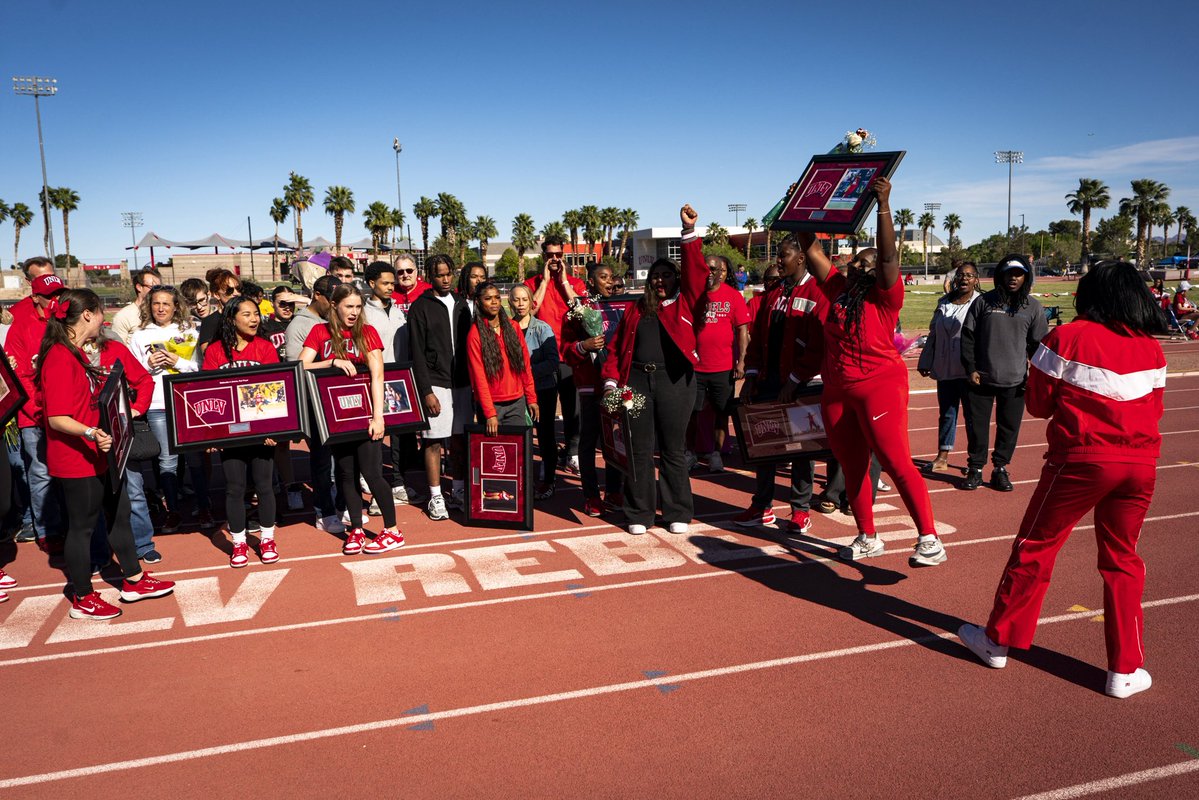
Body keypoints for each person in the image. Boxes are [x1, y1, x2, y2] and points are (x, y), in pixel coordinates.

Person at [957, 261, 1167, 699]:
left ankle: (998, 640)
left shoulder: (1066, 337)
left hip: (1080, 460)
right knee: (1123, 560)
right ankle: (1124, 670)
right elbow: (1156, 409)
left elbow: (1037, 405)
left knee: (1036, 547)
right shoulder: (1152, 348)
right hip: (1141, 463)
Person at [798, 176, 946, 566]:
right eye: (855, 262)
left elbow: (887, 257)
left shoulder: (886, 297)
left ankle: (929, 538)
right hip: (837, 390)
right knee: (851, 464)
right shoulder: (836, 289)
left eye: (865, 263)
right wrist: (798, 209)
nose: (859, 266)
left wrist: (883, 204)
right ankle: (867, 536)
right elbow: (810, 250)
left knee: (896, 461)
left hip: (879, 385)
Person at [37, 288, 175, 619]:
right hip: (76, 456)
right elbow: (56, 418)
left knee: (121, 513)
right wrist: (90, 432)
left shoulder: (91, 351)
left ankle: (133, 580)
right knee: (82, 527)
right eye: (100, 312)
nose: (105, 319)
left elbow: (126, 389)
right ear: (87, 315)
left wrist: (126, 418)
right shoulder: (59, 356)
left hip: (105, 451)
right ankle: (83, 597)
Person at [601, 204, 705, 536]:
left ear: (676, 279)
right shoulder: (636, 308)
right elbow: (616, 348)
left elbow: (696, 274)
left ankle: (677, 511)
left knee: (673, 449)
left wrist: (687, 232)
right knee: (639, 448)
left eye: (667, 275)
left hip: (675, 382)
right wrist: (610, 382)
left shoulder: (686, 301)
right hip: (635, 385)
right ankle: (639, 513)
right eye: (656, 276)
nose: (661, 281)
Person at [300, 284, 403, 555]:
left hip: (367, 414)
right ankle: (356, 528)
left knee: (371, 472)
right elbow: (299, 366)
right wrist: (331, 362)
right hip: (336, 417)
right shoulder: (319, 331)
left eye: (358, 307)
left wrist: (378, 417)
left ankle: (392, 530)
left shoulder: (366, 332)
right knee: (346, 474)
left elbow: (378, 376)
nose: (354, 312)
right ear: (335, 305)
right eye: (349, 306)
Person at [737, 236, 824, 532]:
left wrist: (796, 379)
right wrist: (750, 377)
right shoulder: (774, 292)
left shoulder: (816, 291)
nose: (778, 260)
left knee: (800, 448)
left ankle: (800, 509)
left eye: (783, 255)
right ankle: (762, 505)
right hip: (767, 381)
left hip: (799, 383)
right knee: (765, 445)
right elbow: (758, 339)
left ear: (801, 258)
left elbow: (817, 345)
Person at [202, 296, 283, 568]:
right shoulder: (215, 351)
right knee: (234, 488)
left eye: (256, 314)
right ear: (231, 319)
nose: (254, 319)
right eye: (246, 314)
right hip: (231, 433)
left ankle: (268, 539)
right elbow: (207, 392)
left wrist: (273, 429)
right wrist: (212, 435)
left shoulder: (264, 347)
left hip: (260, 431)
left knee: (265, 485)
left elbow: (276, 389)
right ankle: (238, 543)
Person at [959, 254, 1049, 492]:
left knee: (1009, 427)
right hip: (981, 379)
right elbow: (967, 336)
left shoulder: (1033, 308)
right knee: (977, 427)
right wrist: (970, 368)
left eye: (1018, 274)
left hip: (1015, 381)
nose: (1013, 278)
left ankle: (1000, 468)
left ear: (1026, 277)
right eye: (1009, 273)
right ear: (1000, 275)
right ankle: (975, 469)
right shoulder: (983, 302)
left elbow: (1037, 347)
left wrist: (1035, 377)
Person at [130, 286, 201, 542]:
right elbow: (133, 375)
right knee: (167, 460)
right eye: (156, 303)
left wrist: (177, 362)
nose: (160, 308)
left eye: (166, 304)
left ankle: (203, 508)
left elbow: (199, 369)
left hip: (187, 403)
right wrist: (148, 366)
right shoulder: (138, 336)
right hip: (157, 404)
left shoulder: (189, 332)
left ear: (176, 306)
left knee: (194, 457)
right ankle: (173, 511)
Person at [8, 270, 69, 552]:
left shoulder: (67, 321)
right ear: (35, 297)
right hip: (34, 414)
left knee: (70, 469)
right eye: (49, 296)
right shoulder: (20, 327)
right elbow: (18, 376)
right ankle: (47, 529)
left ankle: (71, 522)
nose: (56, 299)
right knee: (41, 471)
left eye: (59, 293)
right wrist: (39, 409)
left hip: (67, 411)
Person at [408, 255, 472, 520]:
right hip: (436, 383)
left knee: (459, 441)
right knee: (433, 442)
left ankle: (457, 490)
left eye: (449, 274)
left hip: (463, 383)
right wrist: (426, 391)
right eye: (440, 275)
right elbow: (417, 353)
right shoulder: (419, 307)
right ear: (430, 277)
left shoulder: (461, 303)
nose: (446, 279)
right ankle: (435, 497)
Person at [561, 263, 624, 516]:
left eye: (611, 277)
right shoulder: (577, 310)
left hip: (618, 384)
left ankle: (614, 491)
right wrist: (584, 346)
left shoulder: (623, 307)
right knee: (589, 441)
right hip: (590, 385)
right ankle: (591, 495)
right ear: (590, 281)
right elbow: (565, 350)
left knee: (616, 439)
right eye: (603, 277)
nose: (609, 282)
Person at [525, 238, 588, 476]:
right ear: (543, 257)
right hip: (541, 358)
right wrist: (545, 282)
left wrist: (562, 281)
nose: (554, 259)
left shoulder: (575, 283)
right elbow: (530, 310)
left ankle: (572, 454)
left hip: (570, 355)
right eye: (550, 255)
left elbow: (581, 312)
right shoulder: (532, 283)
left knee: (573, 411)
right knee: (544, 414)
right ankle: (548, 459)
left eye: (558, 255)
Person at [363, 260, 422, 508]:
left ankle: (399, 483)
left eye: (392, 283)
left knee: (403, 438)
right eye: (385, 283)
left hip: (401, 381)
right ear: (371, 283)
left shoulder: (398, 310)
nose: (391, 287)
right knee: (376, 439)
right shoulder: (363, 313)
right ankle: (379, 490)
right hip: (373, 381)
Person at [286, 275, 343, 532]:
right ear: (317, 295)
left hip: (336, 399)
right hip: (313, 399)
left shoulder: (332, 320)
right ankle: (323, 510)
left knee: (341, 458)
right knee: (321, 459)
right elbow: (295, 367)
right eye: (331, 300)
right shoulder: (300, 325)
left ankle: (341, 506)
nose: (334, 305)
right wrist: (329, 363)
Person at [918, 262, 982, 472]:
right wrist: (926, 360)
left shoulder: (981, 303)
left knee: (972, 416)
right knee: (947, 413)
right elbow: (934, 333)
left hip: (969, 370)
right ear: (955, 279)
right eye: (961, 275)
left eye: (969, 275)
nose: (964, 279)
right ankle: (942, 456)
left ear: (976, 279)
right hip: (944, 367)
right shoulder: (944, 301)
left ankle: (974, 461)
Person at [689, 254, 749, 473]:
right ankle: (690, 453)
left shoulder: (733, 296)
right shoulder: (693, 295)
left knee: (721, 413)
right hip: (694, 368)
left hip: (723, 368)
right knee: (692, 413)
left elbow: (743, 329)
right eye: (708, 269)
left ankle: (716, 453)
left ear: (724, 272)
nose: (711, 273)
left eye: (716, 269)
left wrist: (741, 361)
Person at [467, 282, 539, 435]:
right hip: (492, 405)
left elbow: (525, 365)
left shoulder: (513, 327)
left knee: (518, 454)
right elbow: (479, 377)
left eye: (497, 298)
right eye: (488, 298)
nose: (494, 302)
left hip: (517, 402)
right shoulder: (475, 334)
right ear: (478, 302)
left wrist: (531, 398)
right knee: (495, 454)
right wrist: (490, 413)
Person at [508, 284, 559, 498]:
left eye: (524, 300)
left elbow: (553, 362)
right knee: (520, 437)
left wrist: (525, 372)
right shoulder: (507, 328)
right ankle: (521, 480)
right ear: (510, 302)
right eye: (516, 300)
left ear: (531, 302)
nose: (520, 304)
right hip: (516, 393)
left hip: (543, 391)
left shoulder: (542, 329)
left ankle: (548, 480)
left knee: (545, 435)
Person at [110, 267, 162, 345]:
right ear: (139, 287)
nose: (158, 291)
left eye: (160, 288)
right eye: (153, 287)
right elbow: (118, 350)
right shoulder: (123, 316)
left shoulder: (162, 312)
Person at [196, 268, 242, 356]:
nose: (236, 293)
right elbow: (207, 354)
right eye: (229, 290)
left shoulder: (247, 316)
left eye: (238, 288)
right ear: (216, 295)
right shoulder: (209, 322)